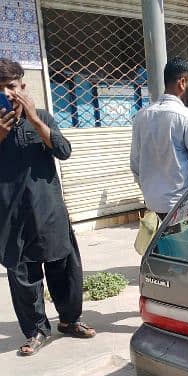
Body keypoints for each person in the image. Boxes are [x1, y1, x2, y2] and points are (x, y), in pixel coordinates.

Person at [0, 58, 95, 356]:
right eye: (1, 88)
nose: (7, 93)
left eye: (11, 86)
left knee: (63, 268)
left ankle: (69, 320)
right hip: (11, 216)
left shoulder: (41, 117)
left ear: (23, 87)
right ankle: (36, 331)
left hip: (49, 210)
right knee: (24, 278)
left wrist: (34, 119)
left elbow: (64, 151)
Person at [130, 57, 188, 221]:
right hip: (179, 207)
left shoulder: (141, 116)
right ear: (182, 83)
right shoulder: (187, 117)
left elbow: (135, 165)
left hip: (152, 206)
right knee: (186, 245)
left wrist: (150, 192)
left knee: (162, 245)